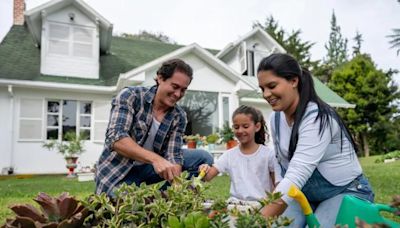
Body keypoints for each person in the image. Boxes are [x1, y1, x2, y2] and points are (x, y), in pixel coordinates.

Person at [257, 53, 374, 227]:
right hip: (304, 195)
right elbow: (281, 164)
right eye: (262, 88)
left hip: (344, 192)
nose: (266, 94)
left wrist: (257, 221)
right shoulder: (275, 119)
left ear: (293, 81)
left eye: (272, 86)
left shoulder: (316, 117)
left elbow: (297, 173)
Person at [95, 58, 213, 197]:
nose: (178, 94)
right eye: (175, 87)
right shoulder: (131, 96)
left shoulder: (178, 116)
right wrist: (156, 159)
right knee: (127, 209)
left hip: (149, 169)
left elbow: (174, 154)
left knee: (203, 158)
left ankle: (165, 198)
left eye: (183, 90)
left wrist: (176, 181)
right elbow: (116, 139)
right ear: (160, 78)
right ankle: (143, 201)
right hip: (118, 171)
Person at [199, 105, 281, 202]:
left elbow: (278, 186)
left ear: (257, 127)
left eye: (245, 126)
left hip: (261, 207)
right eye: (236, 127)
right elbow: (207, 177)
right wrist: (204, 169)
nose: (240, 131)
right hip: (235, 207)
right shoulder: (229, 155)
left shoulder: (268, 154)